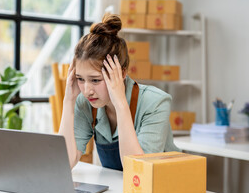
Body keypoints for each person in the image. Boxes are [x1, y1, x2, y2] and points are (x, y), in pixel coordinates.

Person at [59, 13, 180, 171]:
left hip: (165, 187)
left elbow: (137, 170)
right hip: (123, 191)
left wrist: (120, 103)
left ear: (122, 74)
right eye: (80, 79)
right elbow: (64, 162)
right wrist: (68, 101)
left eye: (95, 80)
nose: (87, 90)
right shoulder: (86, 103)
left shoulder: (156, 103)